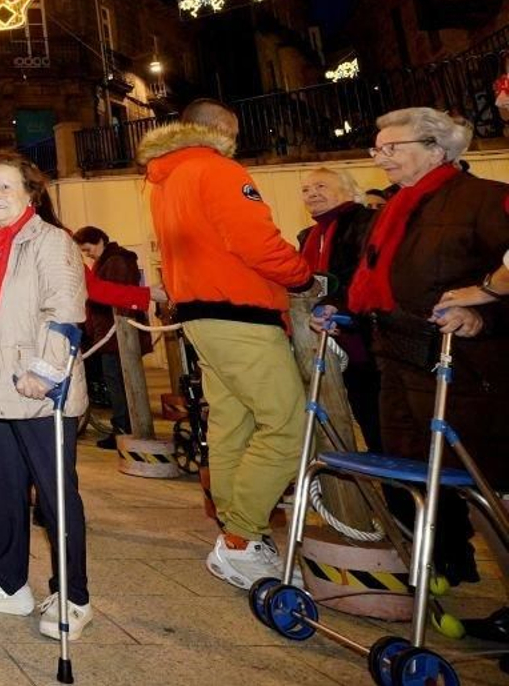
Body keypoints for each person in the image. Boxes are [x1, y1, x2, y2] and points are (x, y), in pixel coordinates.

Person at [137, 98, 315, 590]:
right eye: (232, 134)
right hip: (240, 310)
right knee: (286, 425)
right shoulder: (215, 169)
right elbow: (255, 240)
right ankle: (242, 535)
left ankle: (236, 535)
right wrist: (302, 277)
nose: (234, 143)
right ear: (217, 130)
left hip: (201, 313)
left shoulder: (165, 178)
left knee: (231, 422)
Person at [343, 108, 509, 587]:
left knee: (484, 483)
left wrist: (486, 308)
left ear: (437, 150)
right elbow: (373, 274)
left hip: (466, 369)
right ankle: (444, 562)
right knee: (416, 472)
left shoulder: (483, 199)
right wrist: (338, 306)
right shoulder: (396, 208)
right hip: (399, 360)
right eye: (378, 148)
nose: (381, 157)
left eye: (393, 148)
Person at [0, 153, 93, 640]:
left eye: (5, 188)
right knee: (1, 488)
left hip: (34, 388)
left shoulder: (49, 241)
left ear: (31, 193)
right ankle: (10, 583)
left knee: (55, 494)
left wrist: (47, 371)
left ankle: (73, 596)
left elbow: (66, 310)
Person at [295, 166, 379, 451]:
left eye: (321, 186)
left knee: (379, 426)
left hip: (367, 340)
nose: (311, 194)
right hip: (328, 341)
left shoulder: (367, 222)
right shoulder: (307, 236)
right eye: (306, 190)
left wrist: (332, 304)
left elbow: (365, 274)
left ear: (349, 190)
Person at [72, 226, 146, 448]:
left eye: (88, 249)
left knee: (118, 383)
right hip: (109, 333)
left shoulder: (115, 262)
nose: (88, 254)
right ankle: (124, 426)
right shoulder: (108, 262)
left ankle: (123, 428)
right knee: (118, 382)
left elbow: (114, 294)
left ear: (99, 241)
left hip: (115, 335)